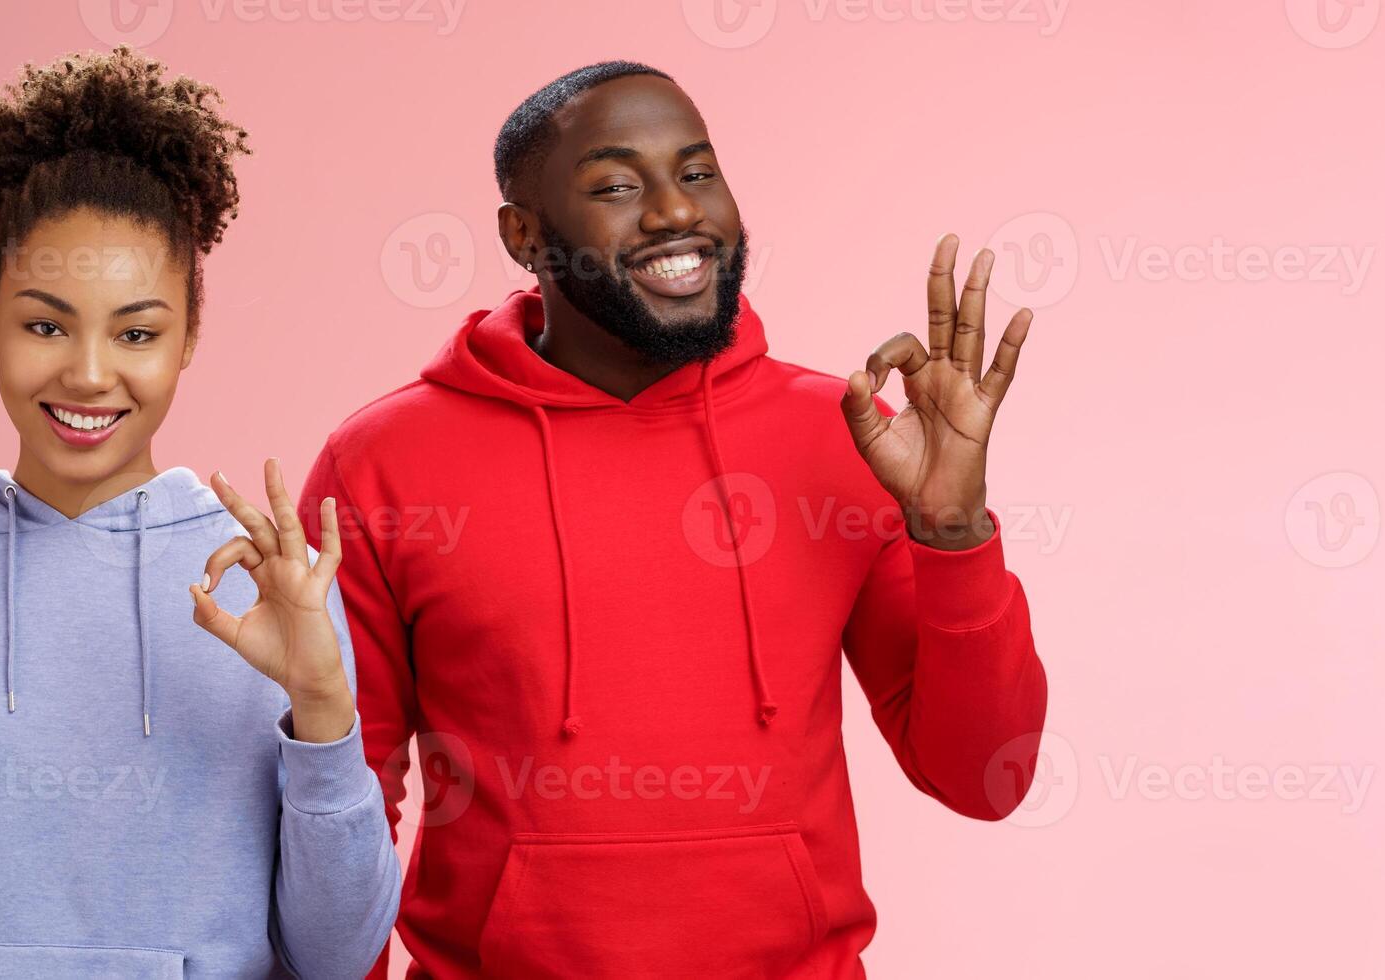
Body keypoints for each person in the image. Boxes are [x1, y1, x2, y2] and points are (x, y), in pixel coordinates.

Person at [302, 61, 1051, 977]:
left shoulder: (849, 438)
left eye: (698, 173)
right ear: (522, 233)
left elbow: (984, 779)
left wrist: (954, 533)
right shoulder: (384, 462)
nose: (674, 213)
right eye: (617, 185)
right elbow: (344, 800)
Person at [0, 48, 399, 980]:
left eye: (137, 332)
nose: (89, 373)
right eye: (45, 323)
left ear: (190, 336)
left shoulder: (274, 589)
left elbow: (337, 958)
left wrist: (321, 707)